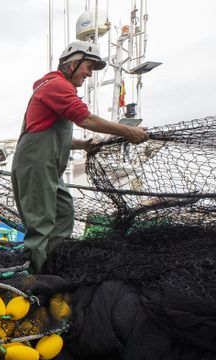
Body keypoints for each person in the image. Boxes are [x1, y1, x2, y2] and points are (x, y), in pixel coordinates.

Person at [12, 41, 149, 273]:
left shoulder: (55, 87)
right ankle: (32, 279)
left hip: (49, 167)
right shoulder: (56, 85)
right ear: (73, 63)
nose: (89, 73)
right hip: (36, 165)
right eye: (88, 67)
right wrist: (129, 131)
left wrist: (81, 145)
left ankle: (53, 265)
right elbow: (86, 119)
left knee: (64, 211)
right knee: (41, 222)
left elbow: (48, 132)